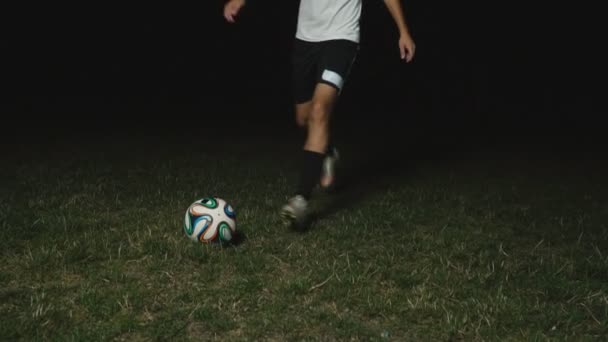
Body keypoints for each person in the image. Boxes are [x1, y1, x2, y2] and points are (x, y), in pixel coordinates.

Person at [223, 0, 416, 229]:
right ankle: (328, 150)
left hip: (341, 38)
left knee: (319, 111)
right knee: (303, 118)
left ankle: (301, 199)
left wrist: (403, 30)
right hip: (306, 38)